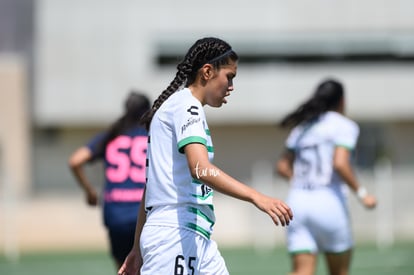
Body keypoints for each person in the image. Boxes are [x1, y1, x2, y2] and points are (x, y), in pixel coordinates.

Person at [118, 37, 293, 275]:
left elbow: (149, 190)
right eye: (229, 77)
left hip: (195, 235)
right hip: (175, 235)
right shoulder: (186, 106)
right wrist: (256, 197)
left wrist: (137, 247)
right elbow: (199, 168)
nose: (231, 86)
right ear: (207, 72)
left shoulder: (179, 106)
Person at [275, 78, 377, 275]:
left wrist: (300, 182)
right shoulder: (343, 125)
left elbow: (282, 166)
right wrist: (363, 193)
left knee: (301, 271)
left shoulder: (301, 128)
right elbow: (340, 163)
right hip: (329, 202)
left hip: (297, 202)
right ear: (342, 101)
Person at [68, 91, 151, 269]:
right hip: (145, 214)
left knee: (123, 269)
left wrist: (90, 191)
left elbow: (75, 161)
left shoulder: (111, 136)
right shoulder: (152, 135)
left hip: (116, 215)